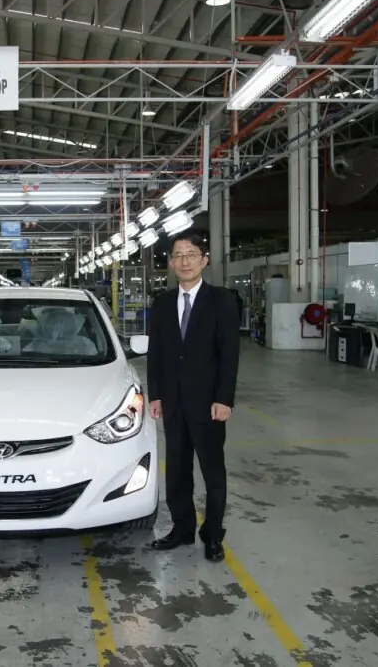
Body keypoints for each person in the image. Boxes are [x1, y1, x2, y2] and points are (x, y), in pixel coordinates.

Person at [146, 230, 240, 562]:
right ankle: (183, 528)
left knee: (213, 471)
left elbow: (229, 354)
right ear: (171, 263)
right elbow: (155, 353)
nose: (184, 261)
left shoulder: (222, 301)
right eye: (178, 256)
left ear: (204, 260)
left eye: (190, 254)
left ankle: (213, 534)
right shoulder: (161, 304)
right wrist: (155, 395)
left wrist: (224, 399)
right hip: (172, 402)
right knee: (177, 470)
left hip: (208, 403)